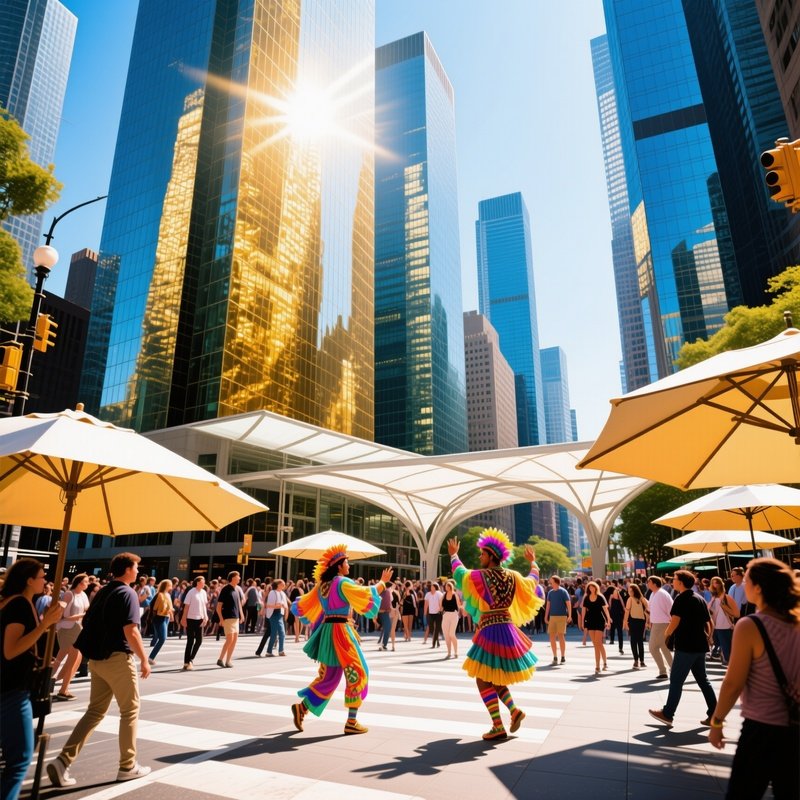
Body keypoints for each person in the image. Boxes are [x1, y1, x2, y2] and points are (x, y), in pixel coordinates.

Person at [47, 552, 151, 788]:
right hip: (118, 658)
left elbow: (89, 623)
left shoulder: (103, 591)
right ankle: (128, 766)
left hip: (97, 660)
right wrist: (144, 659)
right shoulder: (128, 593)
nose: (138, 571)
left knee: (94, 711)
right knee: (130, 711)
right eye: (136, 567)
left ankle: (63, 760)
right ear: (127, 569)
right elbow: (131, 630)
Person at [707, 558, 799, 799]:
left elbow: (733, 683)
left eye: (746, 580)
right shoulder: (796, 622)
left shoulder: (751, 626)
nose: (743, 584)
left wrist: (717, 722)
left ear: (758, 588)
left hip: (762, 726)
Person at [448, 528, 543, 741]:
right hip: (507, 630)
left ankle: (497, 725)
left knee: (483, 679)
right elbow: (533, 580)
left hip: (490, 630)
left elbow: (461, 574)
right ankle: (514, 711)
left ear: (491, 555)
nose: (480, 557)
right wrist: (533, 562)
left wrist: (454, 555)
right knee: (495, 676)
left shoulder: (481, 576)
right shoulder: (513, 576)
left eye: (482, 554)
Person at [290, 545, 393, 735]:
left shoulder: (322, 586)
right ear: (339, 565)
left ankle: (301, 708)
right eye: (346, 562)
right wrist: (382, 582)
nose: (349, 565)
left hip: (328, 633)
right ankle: (351, 721)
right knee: (358, 671)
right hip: (341, 633)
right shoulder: (342, 583)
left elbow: (305, 604)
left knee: (329, 677)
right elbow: (365, 593)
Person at [1, 558, 64, 800]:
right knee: (20, 759)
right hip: (12, 689)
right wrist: (45, 624)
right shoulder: (19, 604)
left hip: (10, 685)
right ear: (29, 580)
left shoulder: (12, 602)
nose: (45, 581)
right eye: (41, 577)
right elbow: (10, 650)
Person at [649, 569, 717, 727]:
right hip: (700, 645)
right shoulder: (699, 598)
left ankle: (668, 714)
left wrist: (667, 634)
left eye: (674, 579)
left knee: (676, 680)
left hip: (686, 646)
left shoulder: (681, 598)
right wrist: (708, 637)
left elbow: (674, 621)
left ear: (680, 582)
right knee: (703, 680)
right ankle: (715, 714)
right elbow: (709, 622)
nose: (672, 581)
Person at [53, 573, 90, 700]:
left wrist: (82, 616)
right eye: (86, 581)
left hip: (77, 628)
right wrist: (80, 616)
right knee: (74, 658)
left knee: (66, 658)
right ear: (79, 583)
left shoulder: (83, 595)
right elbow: (62, 614)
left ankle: (51, 682)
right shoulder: (69, 594)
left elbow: (87, 609)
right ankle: (62, 689)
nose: (88, 584)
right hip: (66, 628)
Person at [580, 580, 611, 674]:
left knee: (598, 643)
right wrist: (582, 622)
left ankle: (598, 666)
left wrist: (608, 620)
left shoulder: (600, 597)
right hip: (590, 621)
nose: (591, 589)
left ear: (596, 588)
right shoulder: (586, 598)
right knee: (597, 644)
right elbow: (583, 610)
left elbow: (605, 610)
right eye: (590, 587)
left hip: (599, 621)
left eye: (593, 587)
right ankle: (604, 663)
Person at [707, 576, 739, 666]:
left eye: (717, 582)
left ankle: (729, 662)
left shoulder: (726, 597)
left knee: (726, 646)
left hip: (725, 625)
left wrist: (723, 606)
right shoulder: (713, 598)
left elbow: (737, 614)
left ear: (721, 584)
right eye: (713, 583)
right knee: (718, 645)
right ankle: (725, 660)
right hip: (715, 626)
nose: (715, 585)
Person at [647, 575, 674, 680]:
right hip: (657, 623)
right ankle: (670, 670)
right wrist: (650, 621)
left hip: (662, 623)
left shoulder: (662, 594)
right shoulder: (653, 594)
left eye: (649, 582)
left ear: (654, 583)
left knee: (653, 647)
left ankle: (664, 671)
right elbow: (651, 609)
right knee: (663, 647)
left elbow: (671, 609)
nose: (647, 583)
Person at [216, 571, 244, 667]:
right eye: (238, 576)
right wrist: (221, 619)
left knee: (234, 639)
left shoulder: (237, 589)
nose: (239, 578)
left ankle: (228, 661)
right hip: (227, 618)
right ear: (233, 578)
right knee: (229, 639)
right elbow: (218, 606)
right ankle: (220, 659)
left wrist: (241, 615)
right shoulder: (225, 589)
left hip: (236, 618)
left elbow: (239, 604)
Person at [180, 576, 208, 670]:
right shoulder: (191, 592)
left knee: (199, 640)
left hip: (200, 618)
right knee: (190, 641)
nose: (204, 583)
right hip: (190, 619)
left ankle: (191, 659)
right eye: (202, 582)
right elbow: (186, 606)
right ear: (197, 583)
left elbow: (204, 606)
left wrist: (205, 616)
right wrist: (183, 618)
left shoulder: (203, 592)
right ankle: (186, 662)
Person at [257, 578, 288, 657]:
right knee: (278, 633)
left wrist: (285, 611)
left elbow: (285, 605)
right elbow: (268, 605)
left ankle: (274, 651)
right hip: (273, 614)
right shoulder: (272, 592)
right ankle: (276, 651)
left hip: (280, 614)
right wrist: (277, 606)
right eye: (283, 584)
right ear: (278, 585)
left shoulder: (283, 593)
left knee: (278, 633)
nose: (284, 585)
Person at [544, 575, 571, 665]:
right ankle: (555, 657)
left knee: (560, 636)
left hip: (562, 616)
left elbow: (568, 604)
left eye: (551, 580)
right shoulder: (550, 592)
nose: (550, 582)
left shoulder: (563, 591)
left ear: (555, 581)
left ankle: (563, 657)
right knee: (551, 637)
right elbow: (548, 605)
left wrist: (570, 615)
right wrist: (546, 616)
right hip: (552, 617)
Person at [623, 583, 649, 670]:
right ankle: (640, 661)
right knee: (638, 641)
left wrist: (625, 622)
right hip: (638, 622)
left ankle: (638, 661)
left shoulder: (632, 599)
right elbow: (647, 611)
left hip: (635, 622)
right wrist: (625, 622)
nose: (629, 592)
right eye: (628, 591)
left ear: (635, 591)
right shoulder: (641, 599)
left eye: (631, 591)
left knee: (635, 641)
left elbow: (627, 611)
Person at [148, 579, 173, 665]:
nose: (171, 586)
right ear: (166, 586)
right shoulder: (160, 595)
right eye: (170, 585)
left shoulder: (168, 595)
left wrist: (171, 615)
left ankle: (151, 658)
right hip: (159, 618)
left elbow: (170, 607)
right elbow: (154, 608)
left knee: (160, 637)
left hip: (166, 617)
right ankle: (150, 658)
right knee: (162, 638)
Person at [441, 579, 464, 659]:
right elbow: (441, 606)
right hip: (446, 615)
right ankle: (449, 653)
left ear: (450, 587)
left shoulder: (455, 595)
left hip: (454, 615)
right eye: (446, 586)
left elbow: (459, 605)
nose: (446, 587)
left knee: (451, 634)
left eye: (447, 586)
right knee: (446, 635)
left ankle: (456, 652)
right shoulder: (444, 595)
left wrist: (463, 609)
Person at [424, 582, 444, 648]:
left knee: (437, 628)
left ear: (435, 587)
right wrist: (425, 612)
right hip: (431, 613)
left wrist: (441, 609)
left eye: (432, 586)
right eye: (431, 586)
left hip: (438, 613)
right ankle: (437, 641)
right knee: (432, 629)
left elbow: (441, 603)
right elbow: (426, 604)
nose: (431, 587)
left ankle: (433, 644)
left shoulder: (439, 593)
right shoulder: (428, 594)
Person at [377, 580, 393, 651]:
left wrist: (390, 608)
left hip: (386, 612)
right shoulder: (381, 592)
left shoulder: (388, 591)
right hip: (382, 612)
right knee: (388, 627)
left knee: (386, 628)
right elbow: (377, 601)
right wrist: (378, 611)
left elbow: (388, 601)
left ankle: (383, 644)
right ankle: (383, 644)